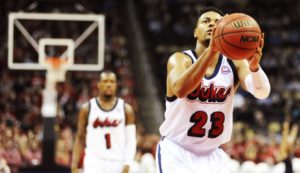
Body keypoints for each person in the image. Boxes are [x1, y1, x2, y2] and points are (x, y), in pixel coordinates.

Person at [156, 6, 271, 173]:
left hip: (213, 154)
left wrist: (254, 68)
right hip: (177, 151)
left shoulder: (234, 63)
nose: (212, 25)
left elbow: (262, 92)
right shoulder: (180, 59)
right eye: (206, 21)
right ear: (196, 32)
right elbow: (180, 90)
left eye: (217, 22)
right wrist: (211, 52)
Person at [71, 70, 137, 173]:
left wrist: (128, 163)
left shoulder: (126, 109)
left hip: (118, 161)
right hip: (93, 162)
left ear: (116, 84)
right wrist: (74, 164)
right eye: (105, 81)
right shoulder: (87, 108)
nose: (109, 85)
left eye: (112, 81)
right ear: (98, 84)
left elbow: (131, 139)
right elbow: (79, 138)